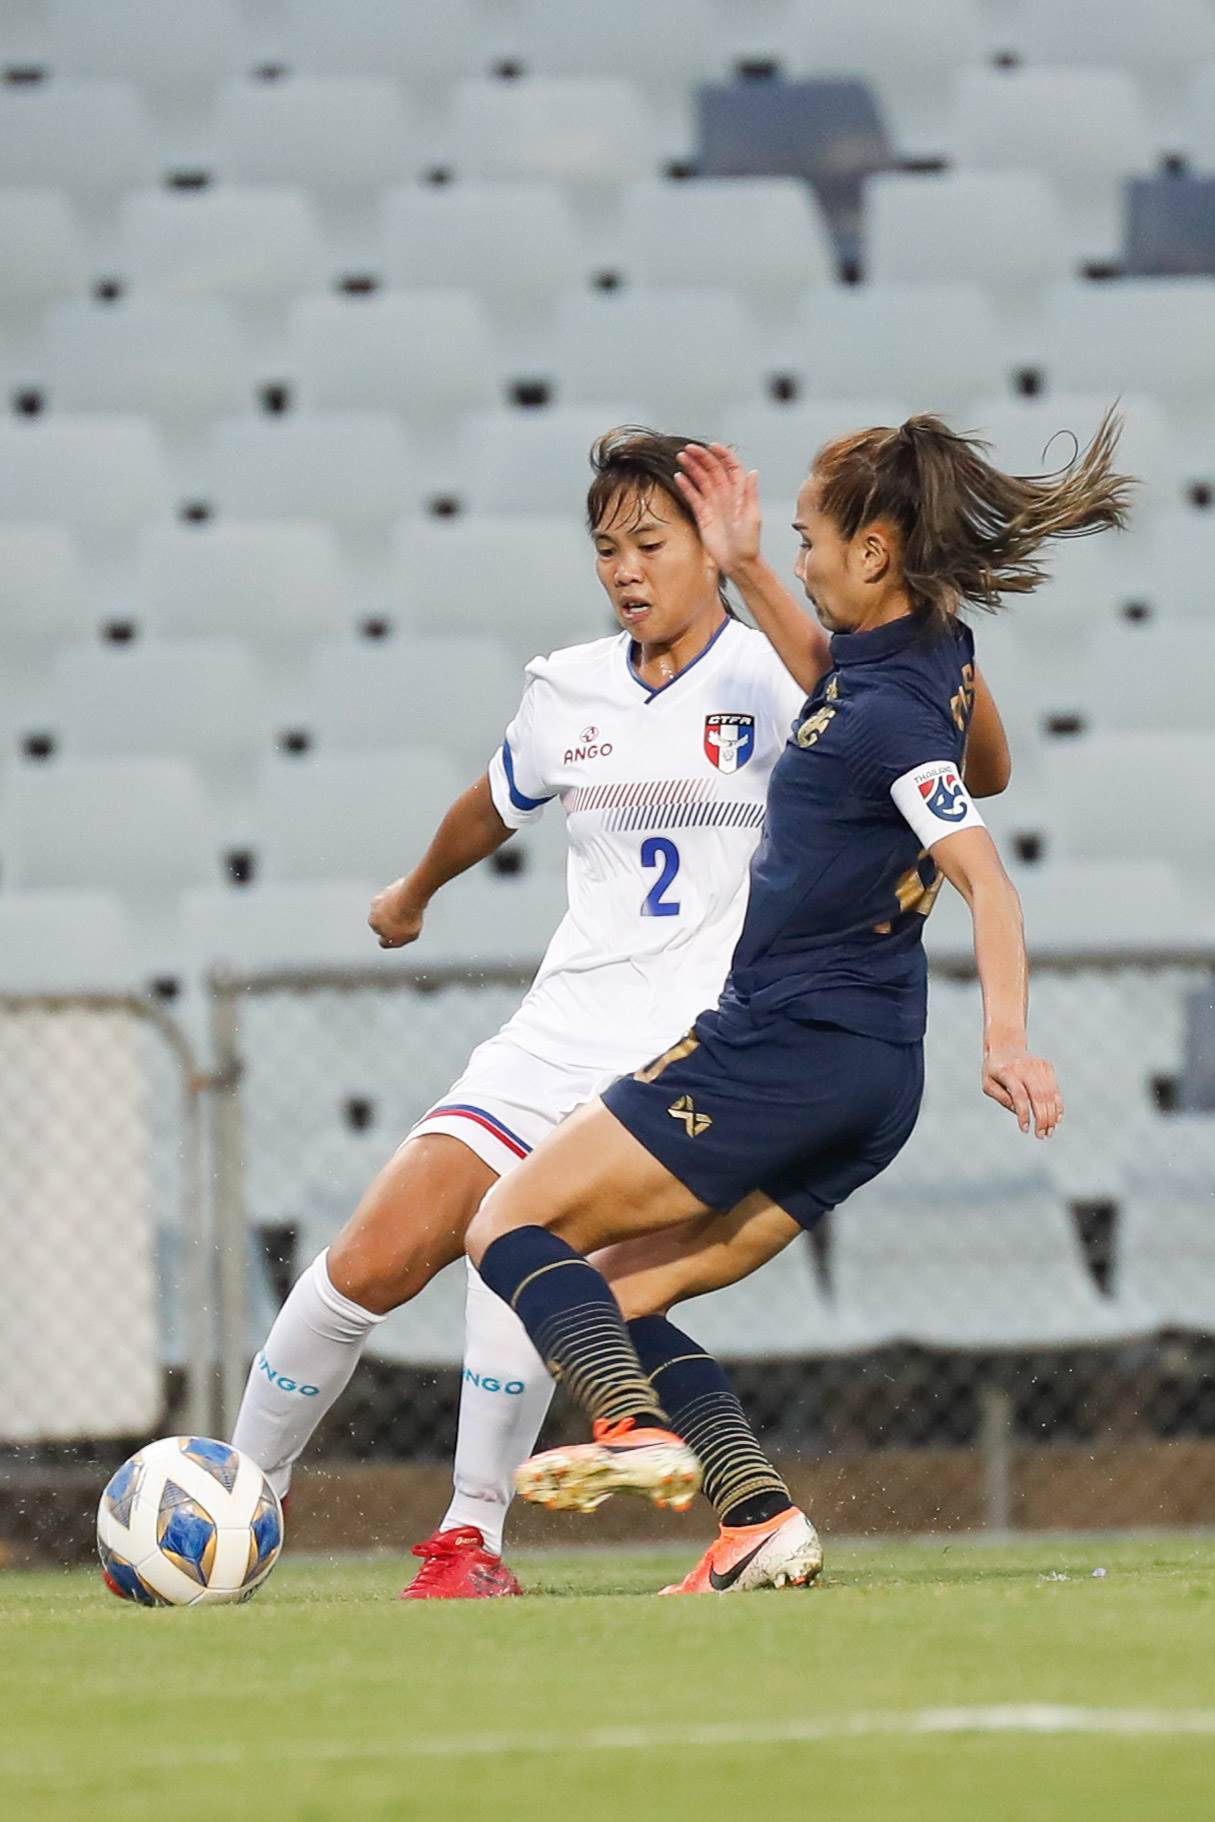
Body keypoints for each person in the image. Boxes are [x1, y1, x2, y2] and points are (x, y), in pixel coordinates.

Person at [465, 412, 1134, 1591]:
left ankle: (629, 1430)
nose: (803, 554)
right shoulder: (930, 656)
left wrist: (1014, 1039)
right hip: (872, 1075)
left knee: (510, 1224)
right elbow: (973, 756)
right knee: (619, 1291)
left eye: (812, 537)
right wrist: (747, 568)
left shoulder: (880, 716)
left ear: (875, 552)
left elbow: (984, 869)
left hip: (787, 1041)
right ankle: (759, 1518)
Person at [230, 426, 820, 1597]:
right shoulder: (568, 688)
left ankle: (470, 1537)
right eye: (608, 548)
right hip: (553, 1033)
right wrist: (413, 891)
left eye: (651, 542)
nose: (626, 569)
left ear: (712, 548)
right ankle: (239, 1495)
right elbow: (491, 803)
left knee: (519, 1243)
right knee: (370, 1257)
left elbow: (895, 725)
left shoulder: (776, 677)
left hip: (681, 1057)